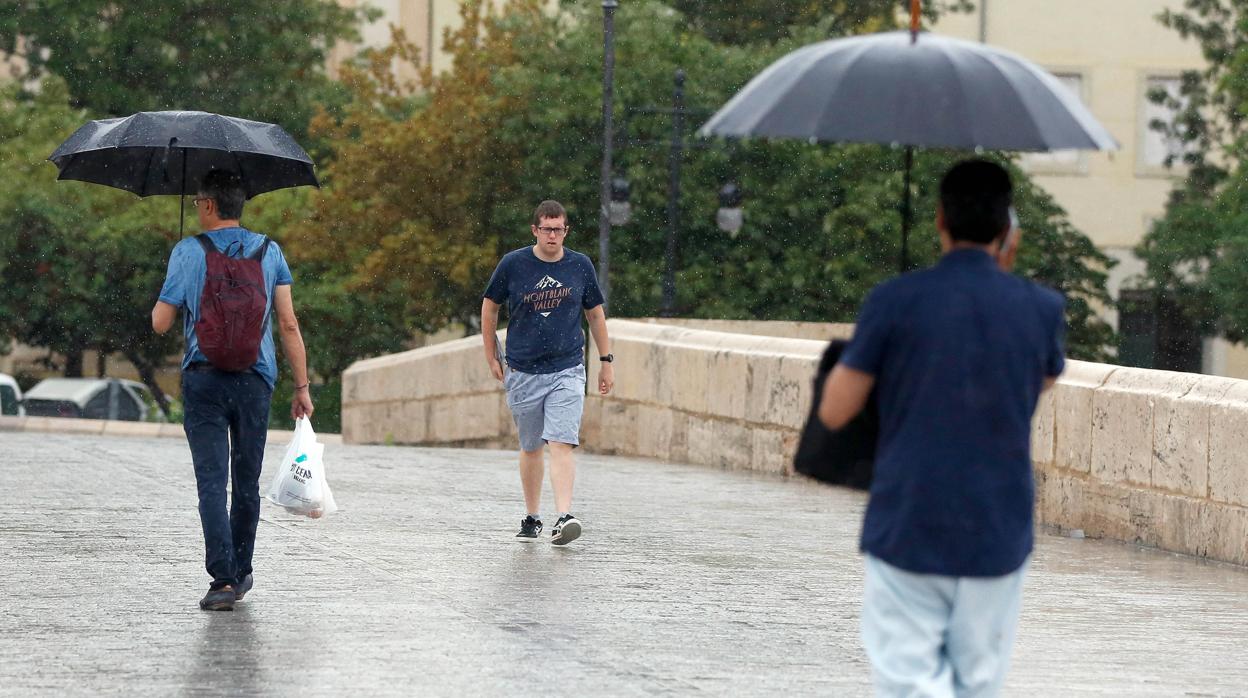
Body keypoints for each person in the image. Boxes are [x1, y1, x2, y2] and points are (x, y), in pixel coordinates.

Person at [818, 160, 1065, 697]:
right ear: (1007, 229)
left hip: (910, 512)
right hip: (996, 521)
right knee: (978, 681)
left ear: (939, 220)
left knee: (907, 679)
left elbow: (835, 412)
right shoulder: (1041, 309)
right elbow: (1039, 380)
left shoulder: (895, 300)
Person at [152, 169, 313, 611]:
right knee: (246, 483)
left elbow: (160, 323)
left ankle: (221, 579)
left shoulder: (187, 251)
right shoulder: (270, 251)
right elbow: (288, 324)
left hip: (203, 379)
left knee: (211, 482)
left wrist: (176, 288)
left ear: (206, 204)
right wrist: (301, 386)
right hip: (254, 379)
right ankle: (242, 571)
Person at [481, 200, 614, 546]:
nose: (552, 235)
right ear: (535, 230)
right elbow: (490, 307)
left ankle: (564, 516)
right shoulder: (514, 264)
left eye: (558, 229)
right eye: (546, 229)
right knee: (531, 447)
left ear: (565, 231)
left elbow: (595, 315)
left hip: (568, 367)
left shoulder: (580, 266)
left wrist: (606, 360)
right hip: (523, 369)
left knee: (561, 441)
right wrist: (491, 355)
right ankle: (532, 516)